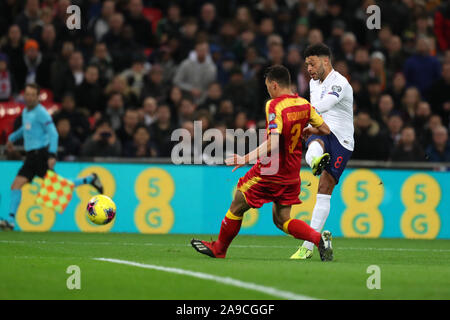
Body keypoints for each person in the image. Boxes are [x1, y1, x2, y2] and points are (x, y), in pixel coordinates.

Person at [191, 65, 333, 261]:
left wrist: (245, 158)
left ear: (274, 85)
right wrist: (308, 130)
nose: (267, 90)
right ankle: (318, 240)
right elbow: (325, 129)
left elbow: (273, 143)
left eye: (268, 86)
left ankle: (219, 249)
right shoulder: (304, 104)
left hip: (270, 171)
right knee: (282, 219)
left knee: (238, 201)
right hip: (292, 174)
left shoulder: (274, 105)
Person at [0, 84, 103, 231]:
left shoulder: (41, 113)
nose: (29, 97)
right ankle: (10, 221)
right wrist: (12, 137)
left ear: (37, 97)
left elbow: (53, 133)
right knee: (16, 185)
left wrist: (52, 154)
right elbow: (25, 127)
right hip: (31, 157)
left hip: (41, 155)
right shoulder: (26, 112)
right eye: (27, 94)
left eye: (32, 95)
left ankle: (90, 179)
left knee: (58, 187)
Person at [290, 43, 353, 260]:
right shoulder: (313, 83)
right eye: (306, 64)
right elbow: (317, 113)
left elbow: (323, 106)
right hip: (323, 129)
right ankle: (307, 248)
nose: (308, 68)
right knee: (315, 140)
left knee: (324, 189)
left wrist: (295, 112)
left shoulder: (340, 83)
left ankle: (310, 243)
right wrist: (310, 126)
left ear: (325, 61)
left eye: (312, 63)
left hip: (342, 140)